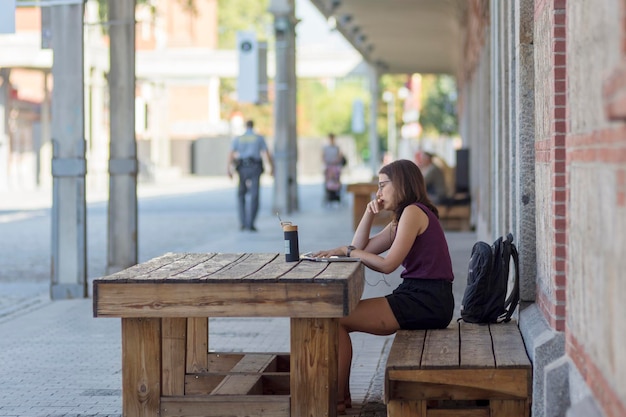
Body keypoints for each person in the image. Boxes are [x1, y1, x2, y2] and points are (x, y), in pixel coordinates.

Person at [311, 159, 455, 414]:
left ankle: (337, 402)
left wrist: (347, 250)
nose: (378, 193)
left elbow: (387, 264)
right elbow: (361, 250)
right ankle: (340, 400)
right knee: (336, 320)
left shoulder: (413, 212)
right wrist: (368, 214)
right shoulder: (403, 217)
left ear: (401, 184)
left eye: (382, 185)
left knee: (337, 321)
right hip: (420, 297)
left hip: (426, 301)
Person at [227, 120, 274, 231]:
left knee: (241, 195)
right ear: (253, 126)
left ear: (245, 126)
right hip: (255, 167)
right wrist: (272, 167)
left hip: (242, 167)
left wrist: (228, 169)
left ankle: (243, 222)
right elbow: (266, 153)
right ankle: (251, 223)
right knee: (254, 195)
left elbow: (231, 154)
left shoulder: (239, 138)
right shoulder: (258, 138)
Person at [322, 133, 345, 203]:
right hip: (328, 167)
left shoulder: (337, 148)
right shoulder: (325, 148)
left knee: (336, 181)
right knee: (328, 182)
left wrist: (335, 162)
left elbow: (340, 156)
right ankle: (329, 197)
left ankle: (336, 197)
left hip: (335, 167)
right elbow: (322, 157)